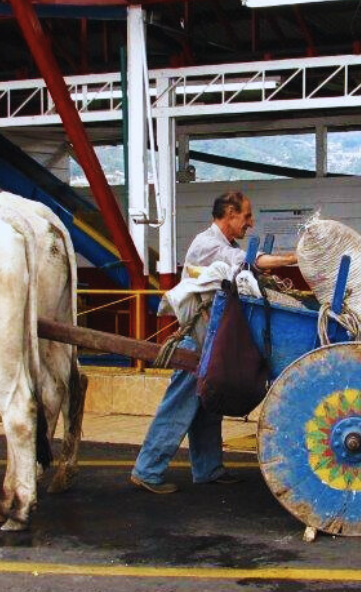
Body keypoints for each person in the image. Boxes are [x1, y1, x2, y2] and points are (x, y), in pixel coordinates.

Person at [130, 190, 297, 494]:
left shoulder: (224, 244)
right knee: (179, 403)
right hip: (198, 338)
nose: (250, 222)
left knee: (208, 403)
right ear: (230, 214)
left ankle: (207, 468)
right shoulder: (208, 245)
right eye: (246, 216)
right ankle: (147, 470)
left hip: (211, 337)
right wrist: (293, 258)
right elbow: (247, 262)